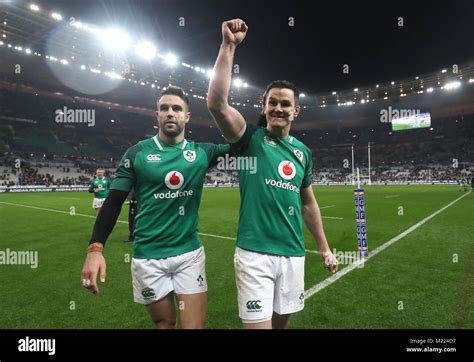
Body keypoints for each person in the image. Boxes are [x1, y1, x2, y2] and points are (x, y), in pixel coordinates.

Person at [207, 19, 338, 329]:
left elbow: (308, 203)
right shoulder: (248, 138)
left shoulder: (302, 152)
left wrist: (324, 248)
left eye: (285, 104)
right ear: (264, 107)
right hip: (254, 255)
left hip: (293, 255)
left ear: (296, 111)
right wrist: (228, 46)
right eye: (273, 103)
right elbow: (216, 104)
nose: (279, 108)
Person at [80, 86, 230, 329]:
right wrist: (95, 249)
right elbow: (114, 201)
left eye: (176, 108)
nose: (170, 113)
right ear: (157, 115)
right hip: (148, 257)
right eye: (164, 108)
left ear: (187, 116)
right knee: (164, 324)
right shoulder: (137, 153)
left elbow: (243, 142)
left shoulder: (203, 152)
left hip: (188, 255)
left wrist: (267, 114)